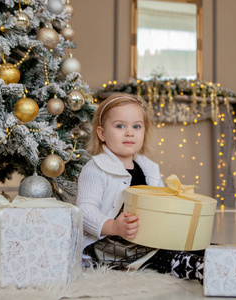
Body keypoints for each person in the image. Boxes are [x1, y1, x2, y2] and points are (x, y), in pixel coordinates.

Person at [76, 93, 204, 284]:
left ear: (144, 132)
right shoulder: (96, 168)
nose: (129, 133)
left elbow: (160, 204)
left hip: (147, 237)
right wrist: (114, 227)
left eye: (136, 126)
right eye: (120, 126)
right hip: (108, 243)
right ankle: (193, 267)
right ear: (102, 134)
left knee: (194, 245)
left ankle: (211, 257)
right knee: (158, 257)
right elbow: (85, 211)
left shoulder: (148, 167)